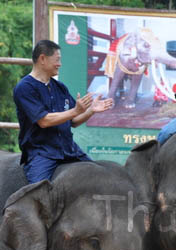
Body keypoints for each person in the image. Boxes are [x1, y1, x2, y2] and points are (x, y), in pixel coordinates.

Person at [13, 40, 113, 183]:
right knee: (38, 191)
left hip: (69, 150)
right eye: (57, 59)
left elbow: (73, 121)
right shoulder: (25, 88)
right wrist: (76, 110)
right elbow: (44, 121)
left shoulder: (60, 87)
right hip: (42, 153)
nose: (59, 64)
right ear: (42, 59)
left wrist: (91, 111)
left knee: (99, 178)